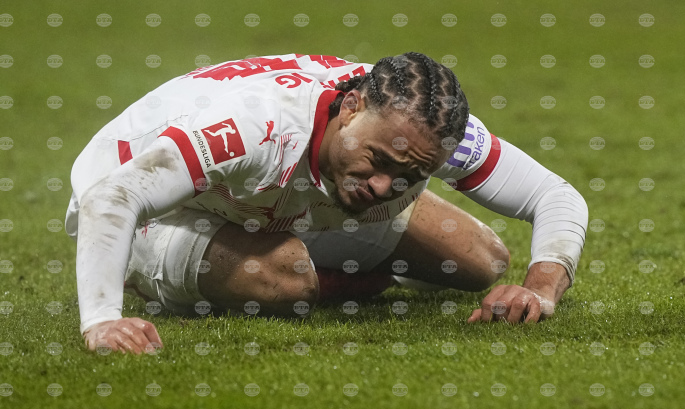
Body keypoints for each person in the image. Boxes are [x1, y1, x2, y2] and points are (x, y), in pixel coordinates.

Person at [66, 52, 588, 354]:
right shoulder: (256, 127)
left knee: (481, 260)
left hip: (281, 198)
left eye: (410, 176)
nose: (383, 186)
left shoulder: (434, 133)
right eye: (379, 160)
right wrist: (101, 321)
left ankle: (314, 261)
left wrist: (540, 290)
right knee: (285, 279)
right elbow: (113, 196)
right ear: (350, 107)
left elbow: (553, 194)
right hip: (156, 208)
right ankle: (159, 275)